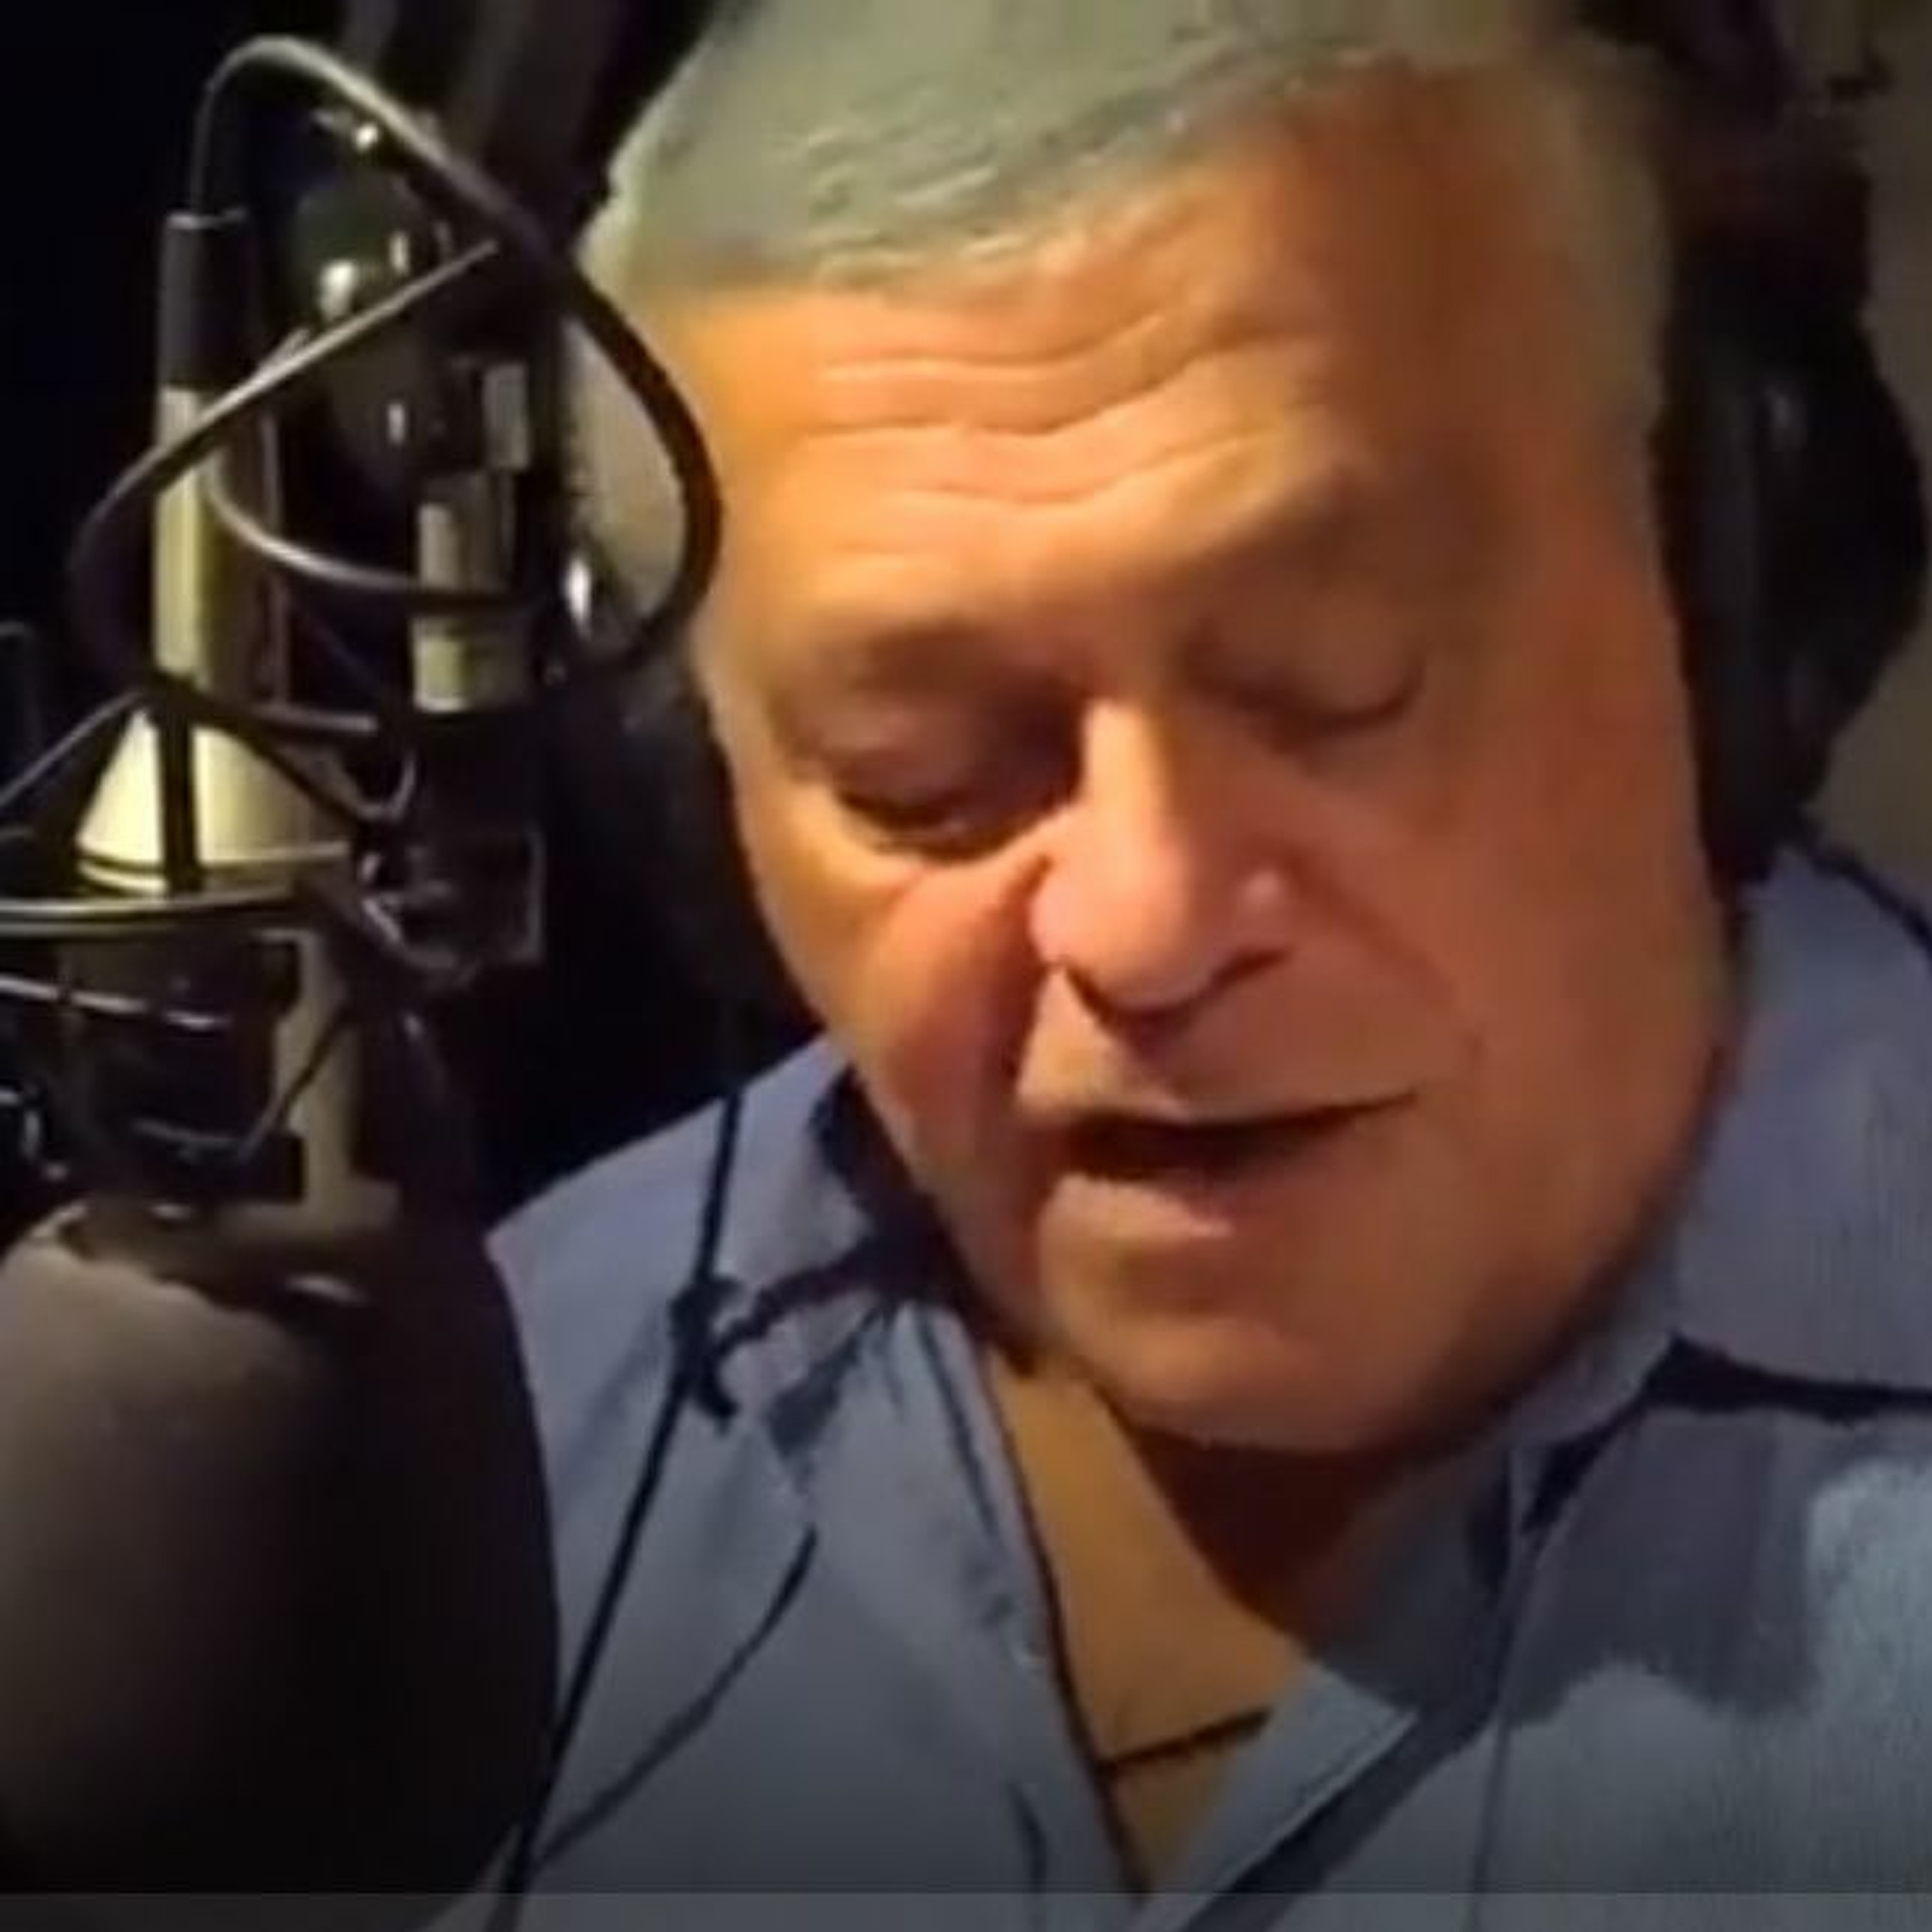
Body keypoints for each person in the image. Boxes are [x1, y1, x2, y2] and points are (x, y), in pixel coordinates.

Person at [497, 0, 1932, 1910]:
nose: (1147, 927)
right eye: (922, 773)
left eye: (1337, 681)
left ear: (1718, 606)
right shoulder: (492, 1440)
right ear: (700, 797)